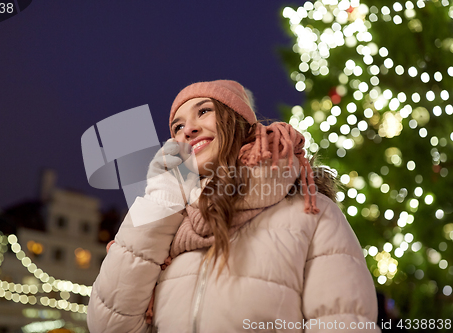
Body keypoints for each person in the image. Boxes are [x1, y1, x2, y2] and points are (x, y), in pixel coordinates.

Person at [87, 80, 380, 332]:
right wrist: (161, 198)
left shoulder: (310, 212)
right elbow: (109, 325)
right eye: (177, 126)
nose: (187, 130)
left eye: (203, 111)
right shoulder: (168, 223)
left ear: (235, 120)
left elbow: (344, 322)